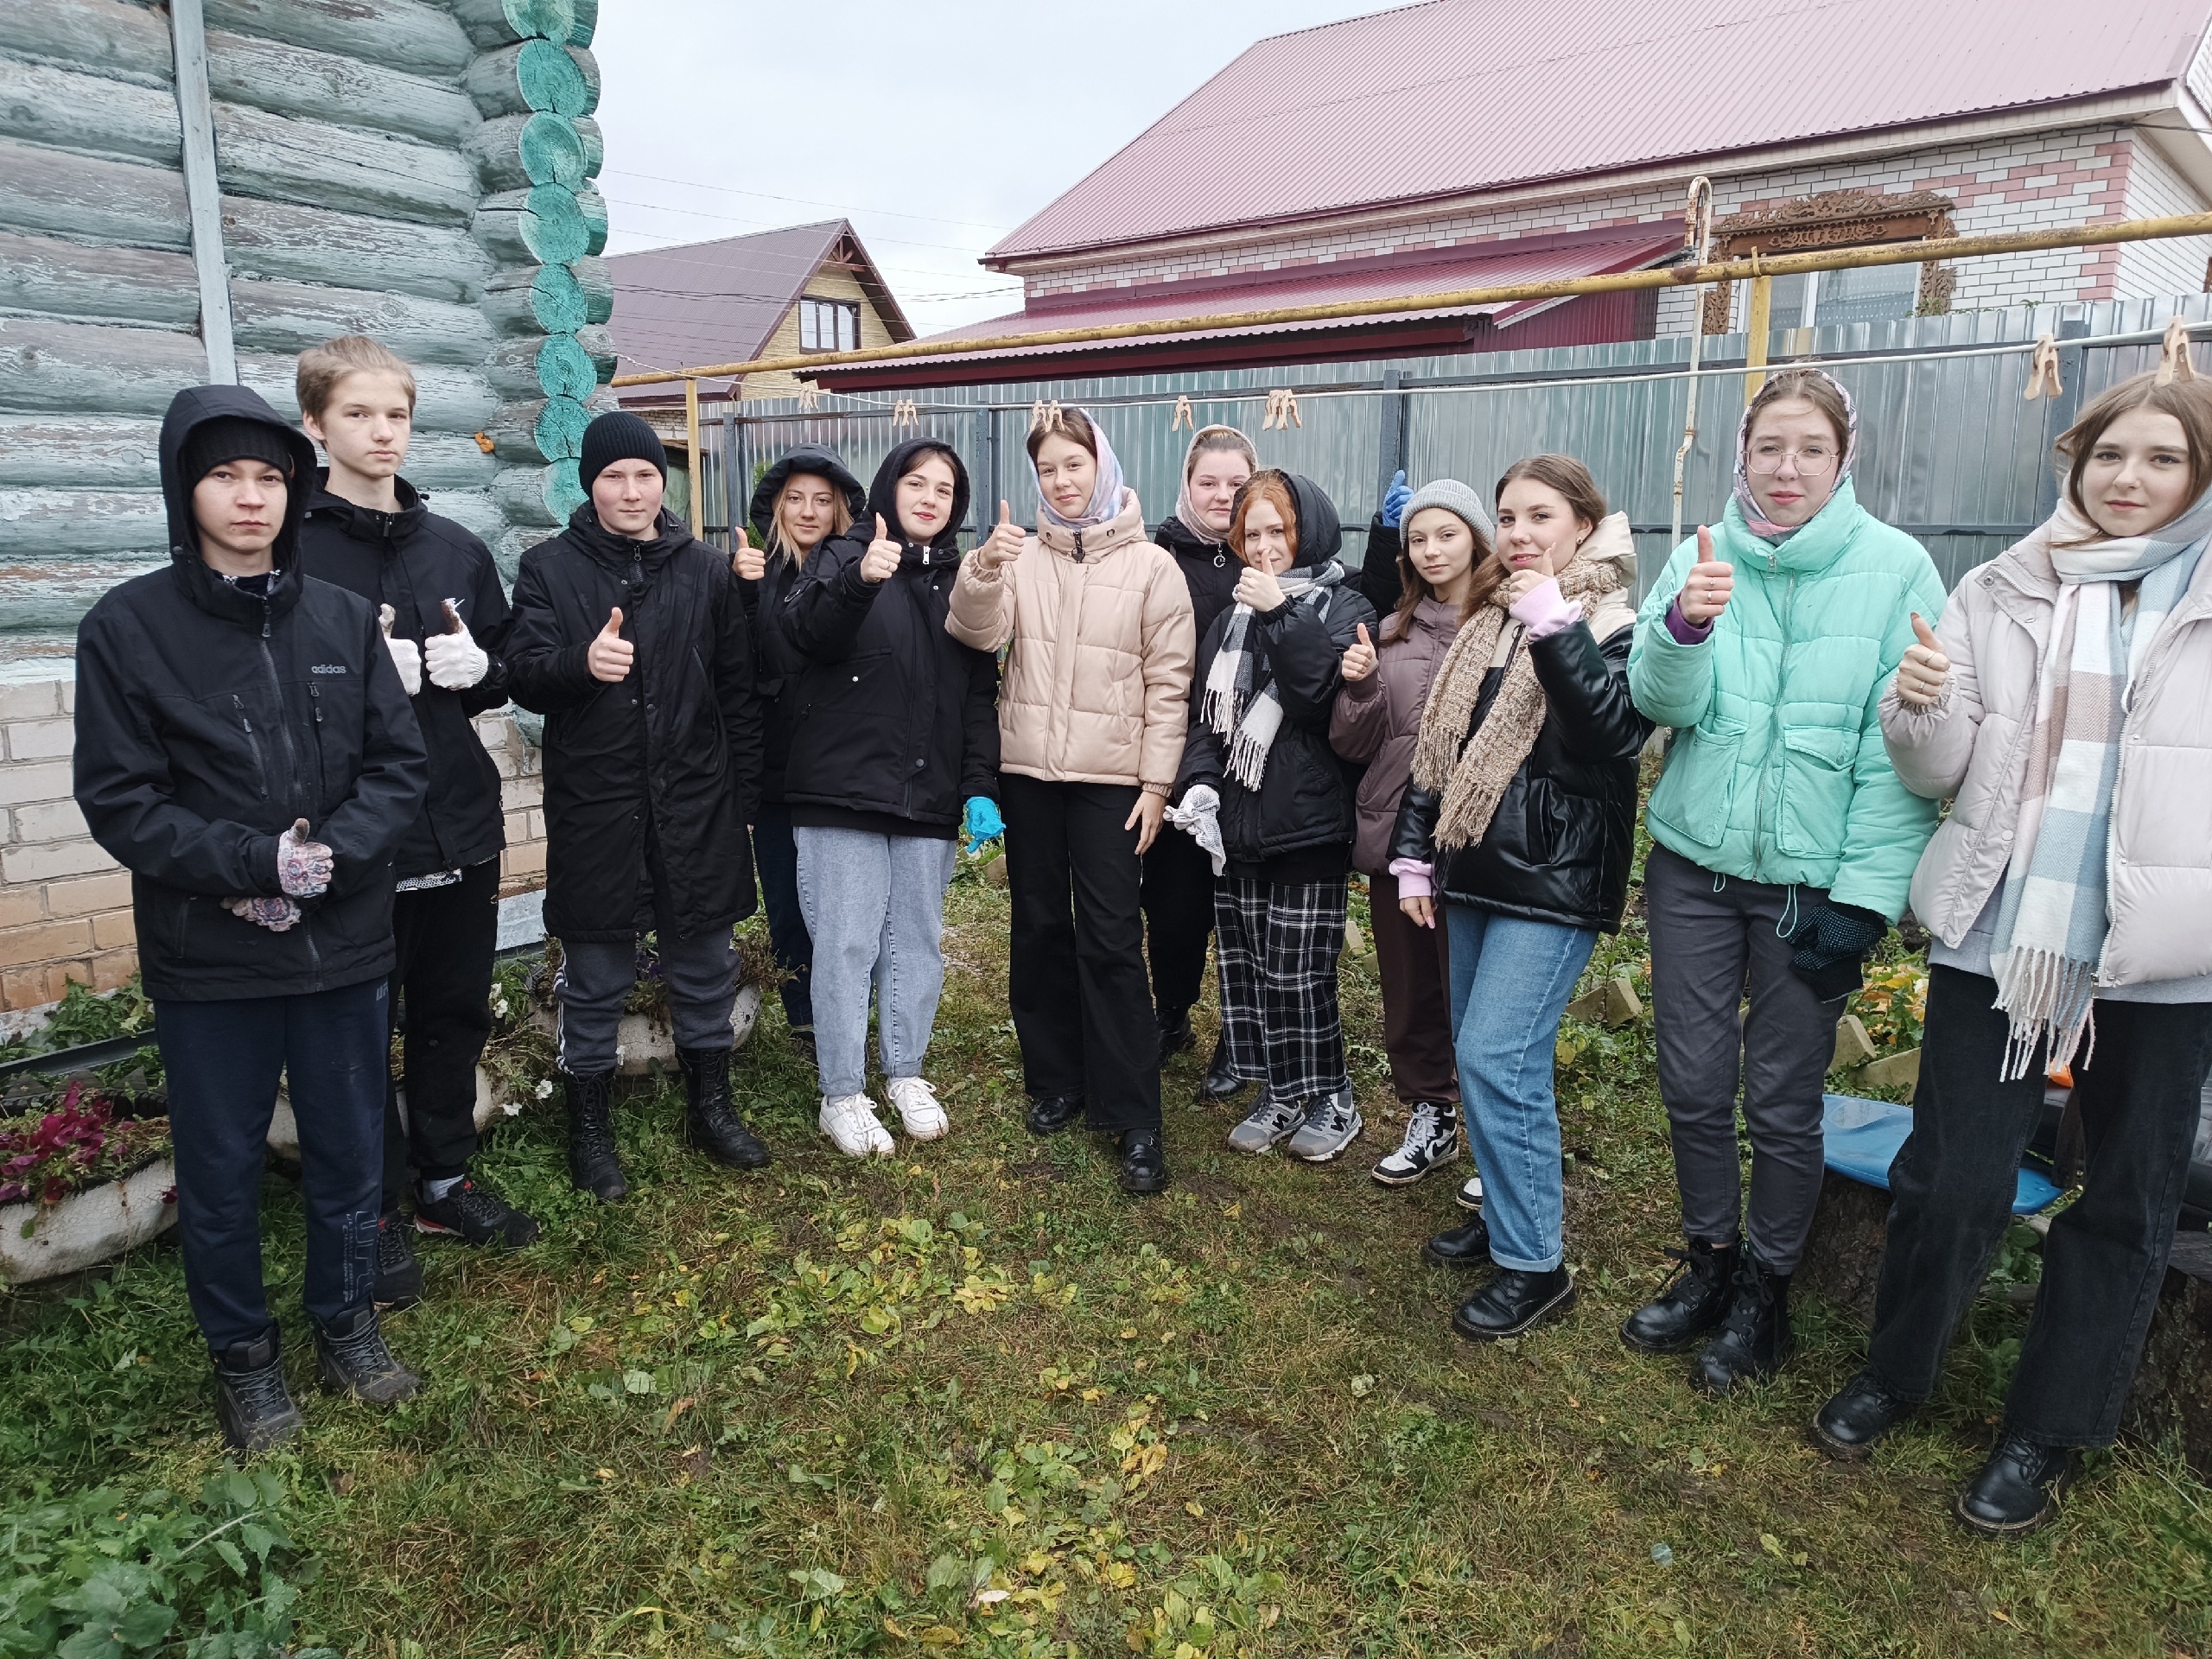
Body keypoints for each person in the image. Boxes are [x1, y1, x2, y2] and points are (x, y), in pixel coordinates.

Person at [1815, 366, 2212, 1536]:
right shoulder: (2004, 587)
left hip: (2162, 955)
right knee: (1953, 1175)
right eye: (2108, 457)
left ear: (2198, 476)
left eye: (2162, 459)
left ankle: (2046, 1429)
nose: (2129, 480)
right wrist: (1921, 704)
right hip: (2001, 933)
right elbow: (1936, 770)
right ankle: (1899, 1371)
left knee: (2127, 1200)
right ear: (2074, 465)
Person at [73, 384, 429, 1453]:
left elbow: (396, 765)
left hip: (342, 943)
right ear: (185, 489)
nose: (249, 497)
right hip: (210, 954)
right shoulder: (128, 627)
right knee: (222, 1168)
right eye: (224, 475)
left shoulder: (335, 619)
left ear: (296, 488)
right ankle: (244, 1358)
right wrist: (247, 862)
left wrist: (324, 863)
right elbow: (123, 798)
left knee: (347, 1149)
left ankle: (346, 1321)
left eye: (269, 476)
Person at [1624, 367, 1945, 1393]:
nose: (1787, 467)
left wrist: (1860, 899)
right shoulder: (1699, 555)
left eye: (1810, 447)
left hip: (1809, 888)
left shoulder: (1897, 570)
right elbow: (1656, 701)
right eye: (1769, 447)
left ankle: (1766, 1293)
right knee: (1688, 1081)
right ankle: (1708, 1261)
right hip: (1692, 871)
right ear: (1742, 456)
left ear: (1843, 459)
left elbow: (1894, 755)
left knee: (1781, 1098)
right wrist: (1685, 627)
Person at [291, 335, 537, 1312]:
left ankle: (443, 1180)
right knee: (357, 1027)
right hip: (352, 835)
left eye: (394, 413)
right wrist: (346, 689)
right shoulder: (293, 549)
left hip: (458, 820)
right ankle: (376, 1206)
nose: (380, 432)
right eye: (357, 414)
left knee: (452, 1009)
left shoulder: (454, 548)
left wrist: (487, 672)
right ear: (316, 426)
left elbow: (509, 658)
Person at [1389, 460, 1649, 1338]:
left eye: (1541, 514)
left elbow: (1608, 737)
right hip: (1474, 867)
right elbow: (1442, 746)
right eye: (1507, 515)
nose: (1520, 532)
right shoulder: (1487, 618)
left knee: (1498, 1055)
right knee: (1482, 1058)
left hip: (1555, 876)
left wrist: (1554, 625)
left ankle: (1535, 1267)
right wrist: (1415, 858)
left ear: (1583, 522)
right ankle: (1506, 1214)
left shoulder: (1609, 618)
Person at [505, 411, 770, 1201]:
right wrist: (581, 664)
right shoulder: (548, 567)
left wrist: (743, 795)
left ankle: (710, 1105)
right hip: (599, 803)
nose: (631, 490)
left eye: (646, 475)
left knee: (703, 962)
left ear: (665, 483)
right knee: (596, 971)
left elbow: (737, 690)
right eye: (614, 476)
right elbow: (520, 673)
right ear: (590, 484)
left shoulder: (705, 571)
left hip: (695, 799)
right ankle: (589, 1126)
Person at [947, 405, 1195, 1194]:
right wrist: (984, 568)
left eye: (1073, 465)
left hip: (1111, 783)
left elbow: (1169, 686)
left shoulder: (1154, 566)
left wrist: (1158, 785)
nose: (1061, 481)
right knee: (1041, 927)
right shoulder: (1020, 557)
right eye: (1048, 468)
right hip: (1029, 776)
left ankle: (1134, 1114)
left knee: (1114, 940)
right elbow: (976, 635)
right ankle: (1056, 1078)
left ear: (1102, 466)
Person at [778, 439, 1001, 1157]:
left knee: (916, 944)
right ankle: (841, 1092)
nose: (930, 497)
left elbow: (975, 695)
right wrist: (862, 581)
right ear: (888, 488)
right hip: (841, 791)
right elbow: (807, 634)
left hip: (927, 795)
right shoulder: (842, 556)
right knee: (844, 943)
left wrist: (978, 788)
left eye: (944, 488)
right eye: (916, 482)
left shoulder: (962, 585)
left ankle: (904, 1072)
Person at [1171, 470, 1376, 1162]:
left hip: (1309, 820)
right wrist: (1200, 783)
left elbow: (1317, 696)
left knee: (1301, 970)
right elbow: (1208, 713)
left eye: (1276, 532)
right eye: (1250, 534)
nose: (1262, 548)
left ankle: (1334, 1095)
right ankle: (1281, 1090)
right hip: (1240, 819)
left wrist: (1279, 615)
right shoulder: (1228, 618)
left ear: (1306, 532)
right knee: (1249, 963)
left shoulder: (1346, 605)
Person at [1330, 481, 1490, 1190]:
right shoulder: (1390, 632)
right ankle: (1431, 1114)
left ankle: (1498, 1137)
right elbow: (1354, 743)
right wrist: (1359, 689)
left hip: (1485, 842)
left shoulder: (1507, 626)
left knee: (1486, 997)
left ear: (1477, 538)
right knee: (1412, 986)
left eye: (1445, 534)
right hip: (1398, 838)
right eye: (1417, 538)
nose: (1430, 550)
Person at [734, 446, 868, 1052]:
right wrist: (739, 593)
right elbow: (733, 666)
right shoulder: (755, 573)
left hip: (843, 768)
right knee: (788, 903)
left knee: (844, 907)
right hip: (777, 769)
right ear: (777, 507)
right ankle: (804, 1015)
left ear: (839, 508)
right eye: (795, 499)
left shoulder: (861, 574)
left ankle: (852, 1005)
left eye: (822, 500)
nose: (809, 512)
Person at [1147, 425, 1257, 1078]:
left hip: (1254, 760)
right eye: (1208, 483)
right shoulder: (1159, 555)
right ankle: (1174, 1010)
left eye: (1236, 484)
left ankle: (1239, 1032)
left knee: (1244, 907)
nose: (1222, 496)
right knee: (1175, 902)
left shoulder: (1274, 553)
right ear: (1187, 485)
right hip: (1177, 753)